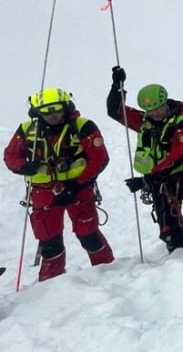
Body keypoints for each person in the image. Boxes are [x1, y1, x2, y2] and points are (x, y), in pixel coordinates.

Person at [4, 88, 115, 281]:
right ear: (37, 111)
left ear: (66, 107)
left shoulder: (83, 126)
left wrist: (77, 184)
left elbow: (100, 158)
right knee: (49, 241)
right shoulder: (27, 129)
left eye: (56, 110)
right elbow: (10, 155)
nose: (52, 115)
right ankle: (51, 283)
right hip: (43, 192)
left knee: (88, 234)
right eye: (46, 111)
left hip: (79, 189)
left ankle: (109, 273)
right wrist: (24, 166)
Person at [107, 66, 183, 253]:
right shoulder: (144, 121)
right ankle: (176, 247)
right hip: (158, 177)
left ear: (165, 103)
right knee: (167, 222)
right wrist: (117, 86)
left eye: (157, 108)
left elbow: (177, 154)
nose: (154, 113)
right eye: (149, 109)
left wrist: (147, 179)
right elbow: (115, 111)